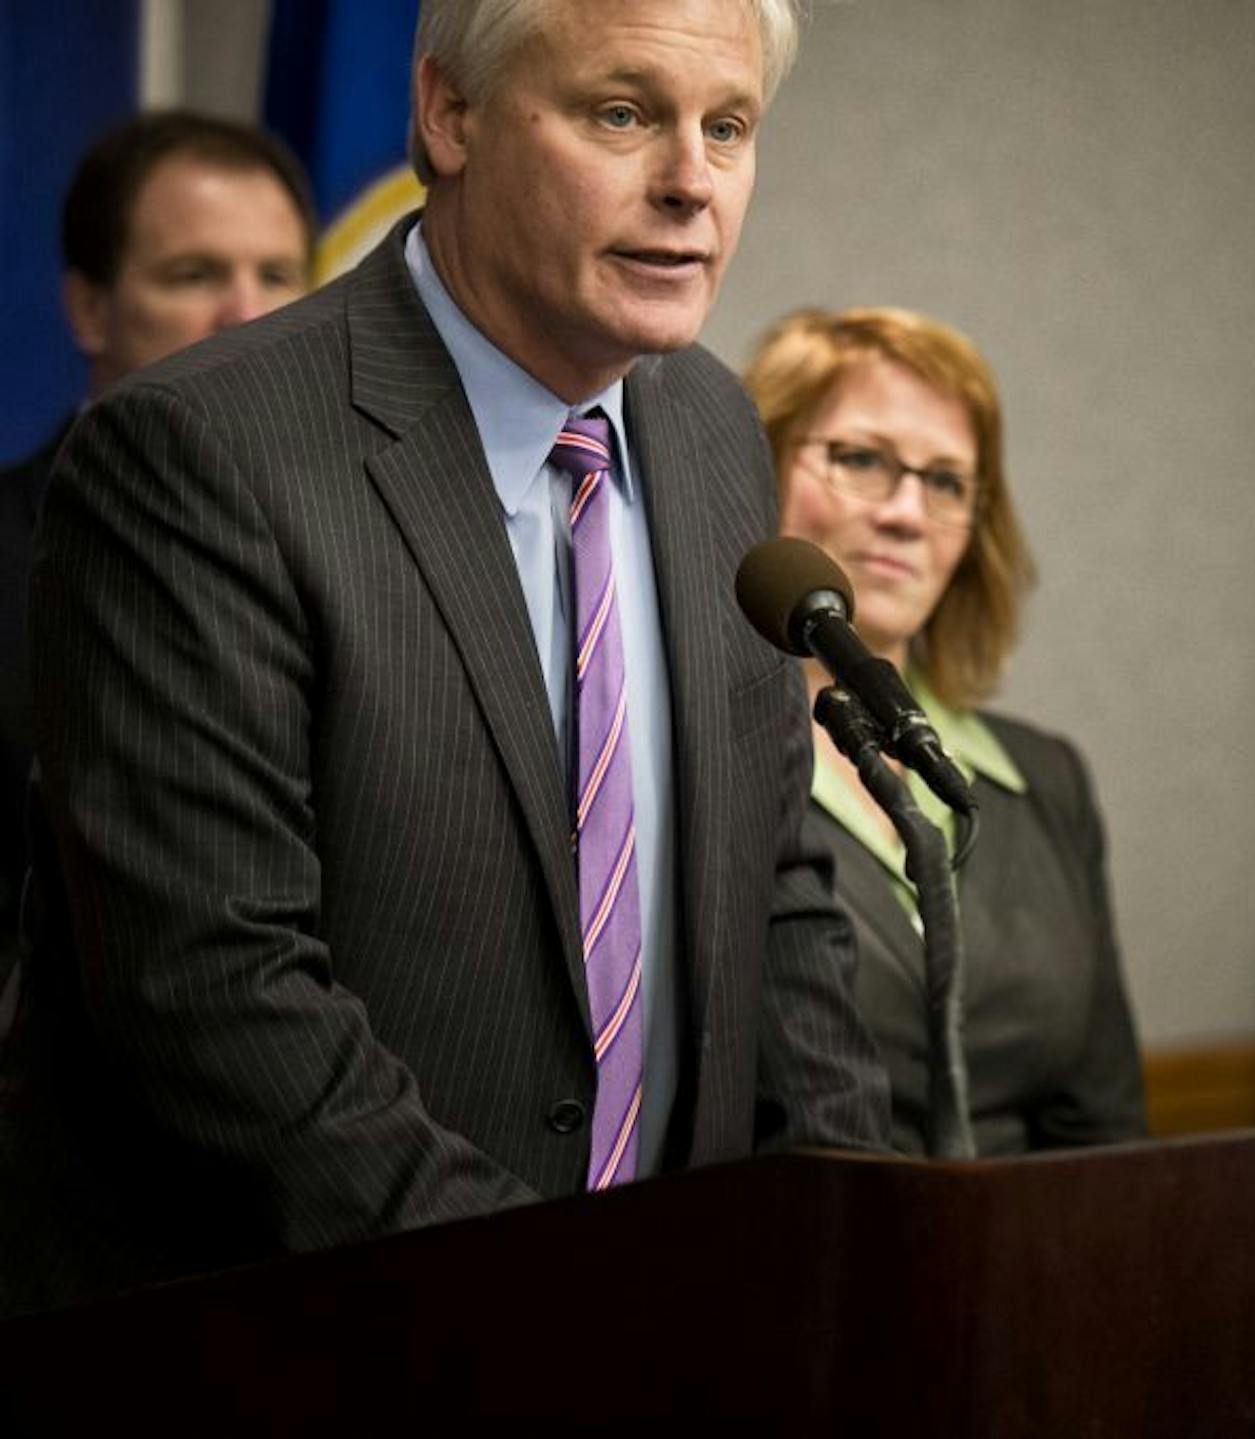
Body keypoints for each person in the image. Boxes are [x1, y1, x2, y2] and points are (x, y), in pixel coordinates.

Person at [2, 0, 888, 1317]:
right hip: (305, 1352)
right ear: (448, 114)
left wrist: (841, 1237)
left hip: (692, 1339)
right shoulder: (197, 452)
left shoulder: (710, 425)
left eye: (729, 126)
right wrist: (553, 1307)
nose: (691, 181)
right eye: (623, 113)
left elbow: (780, 881)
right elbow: (214, 982)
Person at [743, 307, 1146, 1156]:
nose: (906, 513)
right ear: (756, 464)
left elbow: (1103, 1126)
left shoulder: (1046, 779)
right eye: (860, 459)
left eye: (946, 481)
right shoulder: (698, 762)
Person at [0, 111, 314, 1046]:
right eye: (194, 276)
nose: (248, 316)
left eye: (279, 276)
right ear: (90, 308)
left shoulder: (382, 549)